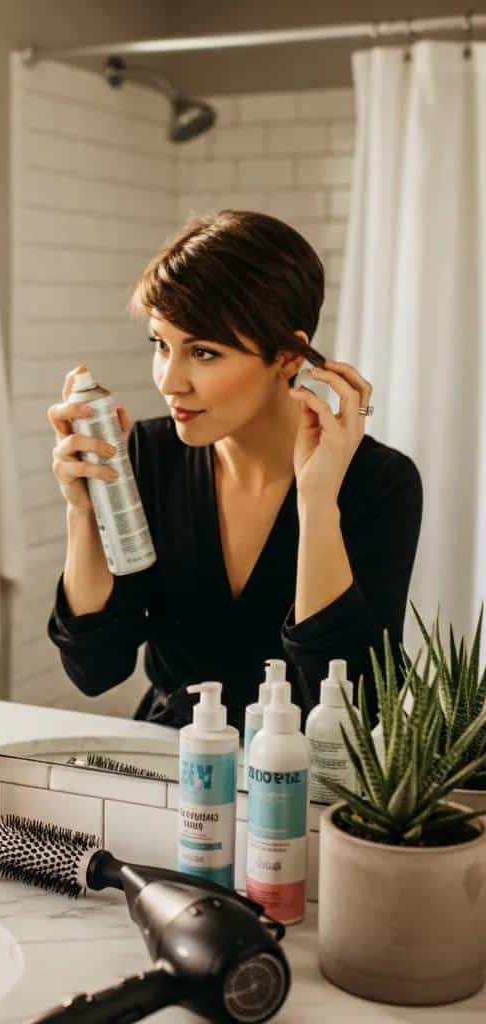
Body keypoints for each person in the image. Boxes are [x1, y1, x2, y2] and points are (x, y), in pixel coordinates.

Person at [47, 210, 421, 730]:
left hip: (303, 782)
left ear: (288, 357)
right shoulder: (151, 453)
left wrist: (316, 502)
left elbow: (356, 700)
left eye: (203, 352)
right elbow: (94, 668)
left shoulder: (382, 483)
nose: (170, 381)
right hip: (169, 767)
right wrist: (82, 513)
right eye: (161, 345)